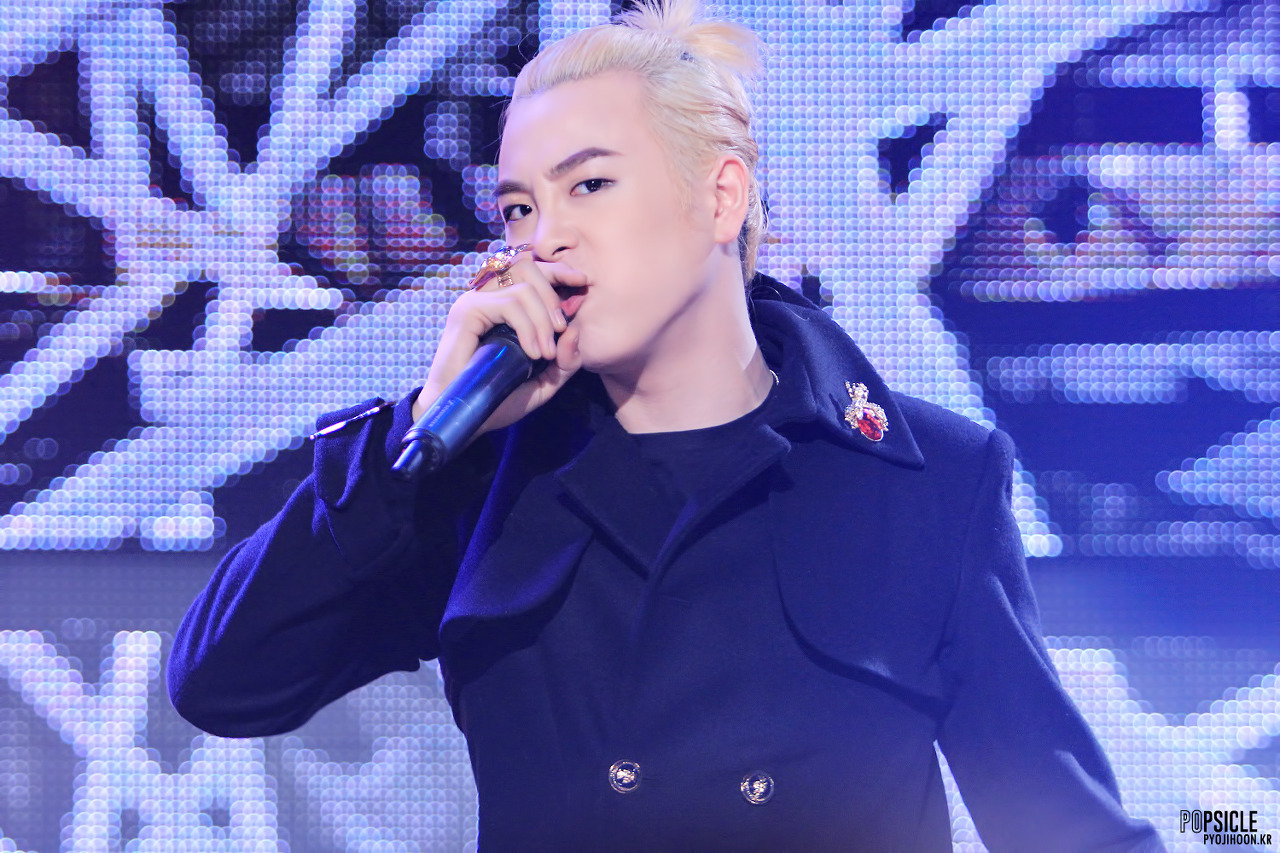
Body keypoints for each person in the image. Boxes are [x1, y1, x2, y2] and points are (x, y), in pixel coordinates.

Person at [168, 1, 1166, 849]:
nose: (544, 237)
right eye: (517, 209)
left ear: (719, 197)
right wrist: (419, 430)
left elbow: (1063, 827)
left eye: (588, 185)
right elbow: (222, 681)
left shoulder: (926, 479)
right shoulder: (477, 475)